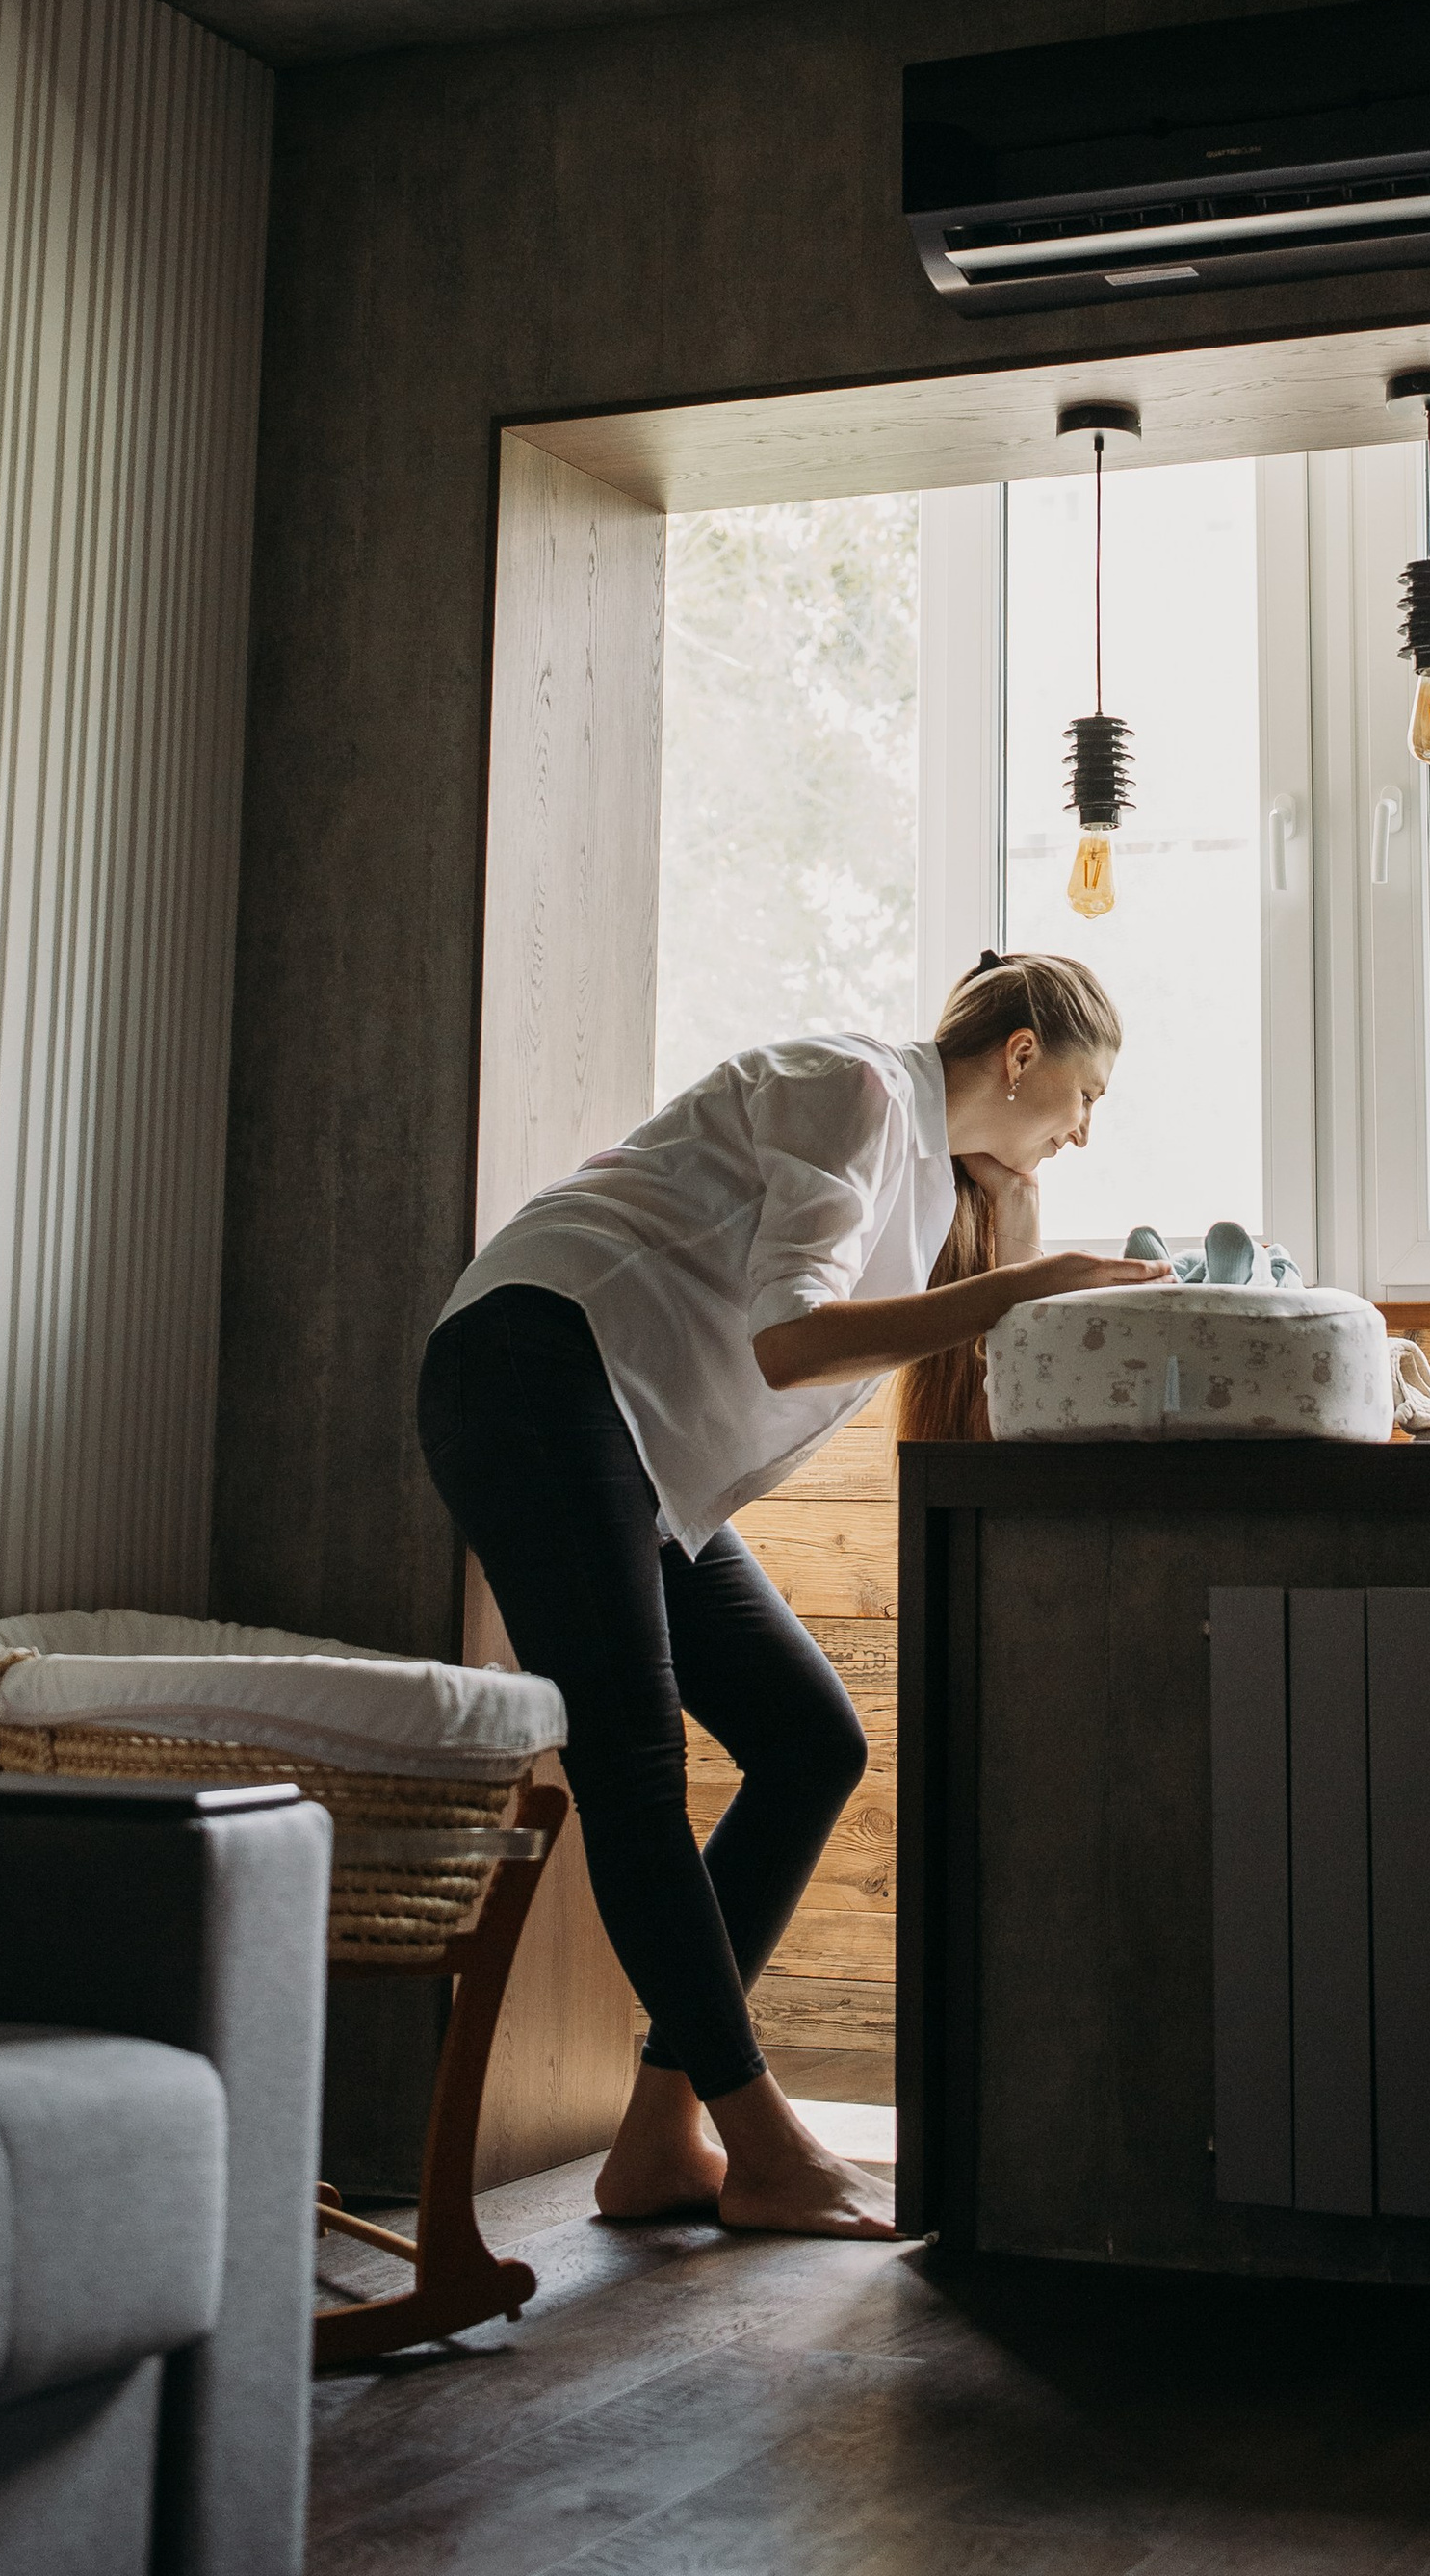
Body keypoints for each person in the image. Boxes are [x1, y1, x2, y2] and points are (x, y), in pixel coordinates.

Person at [416, 949, 1162, 2238]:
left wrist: (1019, 1265)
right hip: (535, 1369)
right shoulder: (862, 1091)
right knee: (633, 1763)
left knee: (811, 1740)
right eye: (1085, 1095)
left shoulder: (926, 1186)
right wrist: (1034, 1281)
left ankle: (660, 2136)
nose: (1083, 1134)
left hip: (630, 1439)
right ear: (1025, 1057)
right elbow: (789, 1338)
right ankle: (761, 2141)